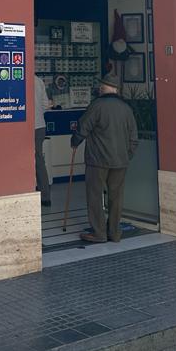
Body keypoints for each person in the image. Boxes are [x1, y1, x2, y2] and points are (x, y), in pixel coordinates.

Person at [70, 75, 138, 243]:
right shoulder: (126, 108)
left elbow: (83, 127)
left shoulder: (97, 105)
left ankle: (99, 233)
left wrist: (74, 141)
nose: (100, 87)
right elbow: (134, 138)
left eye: (102, 85)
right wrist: (126, 155)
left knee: (94, 195)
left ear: (105, 88)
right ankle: (115, 233)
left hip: (97, 160)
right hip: (120, 161)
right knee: (116, 198)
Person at [34, 73, 51, 207]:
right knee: (39, 159)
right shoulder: (38, 81)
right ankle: (45, 195)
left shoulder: (19, 80)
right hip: (39, 126)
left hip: (25, 127)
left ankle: (25, 190)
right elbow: (46, 104)